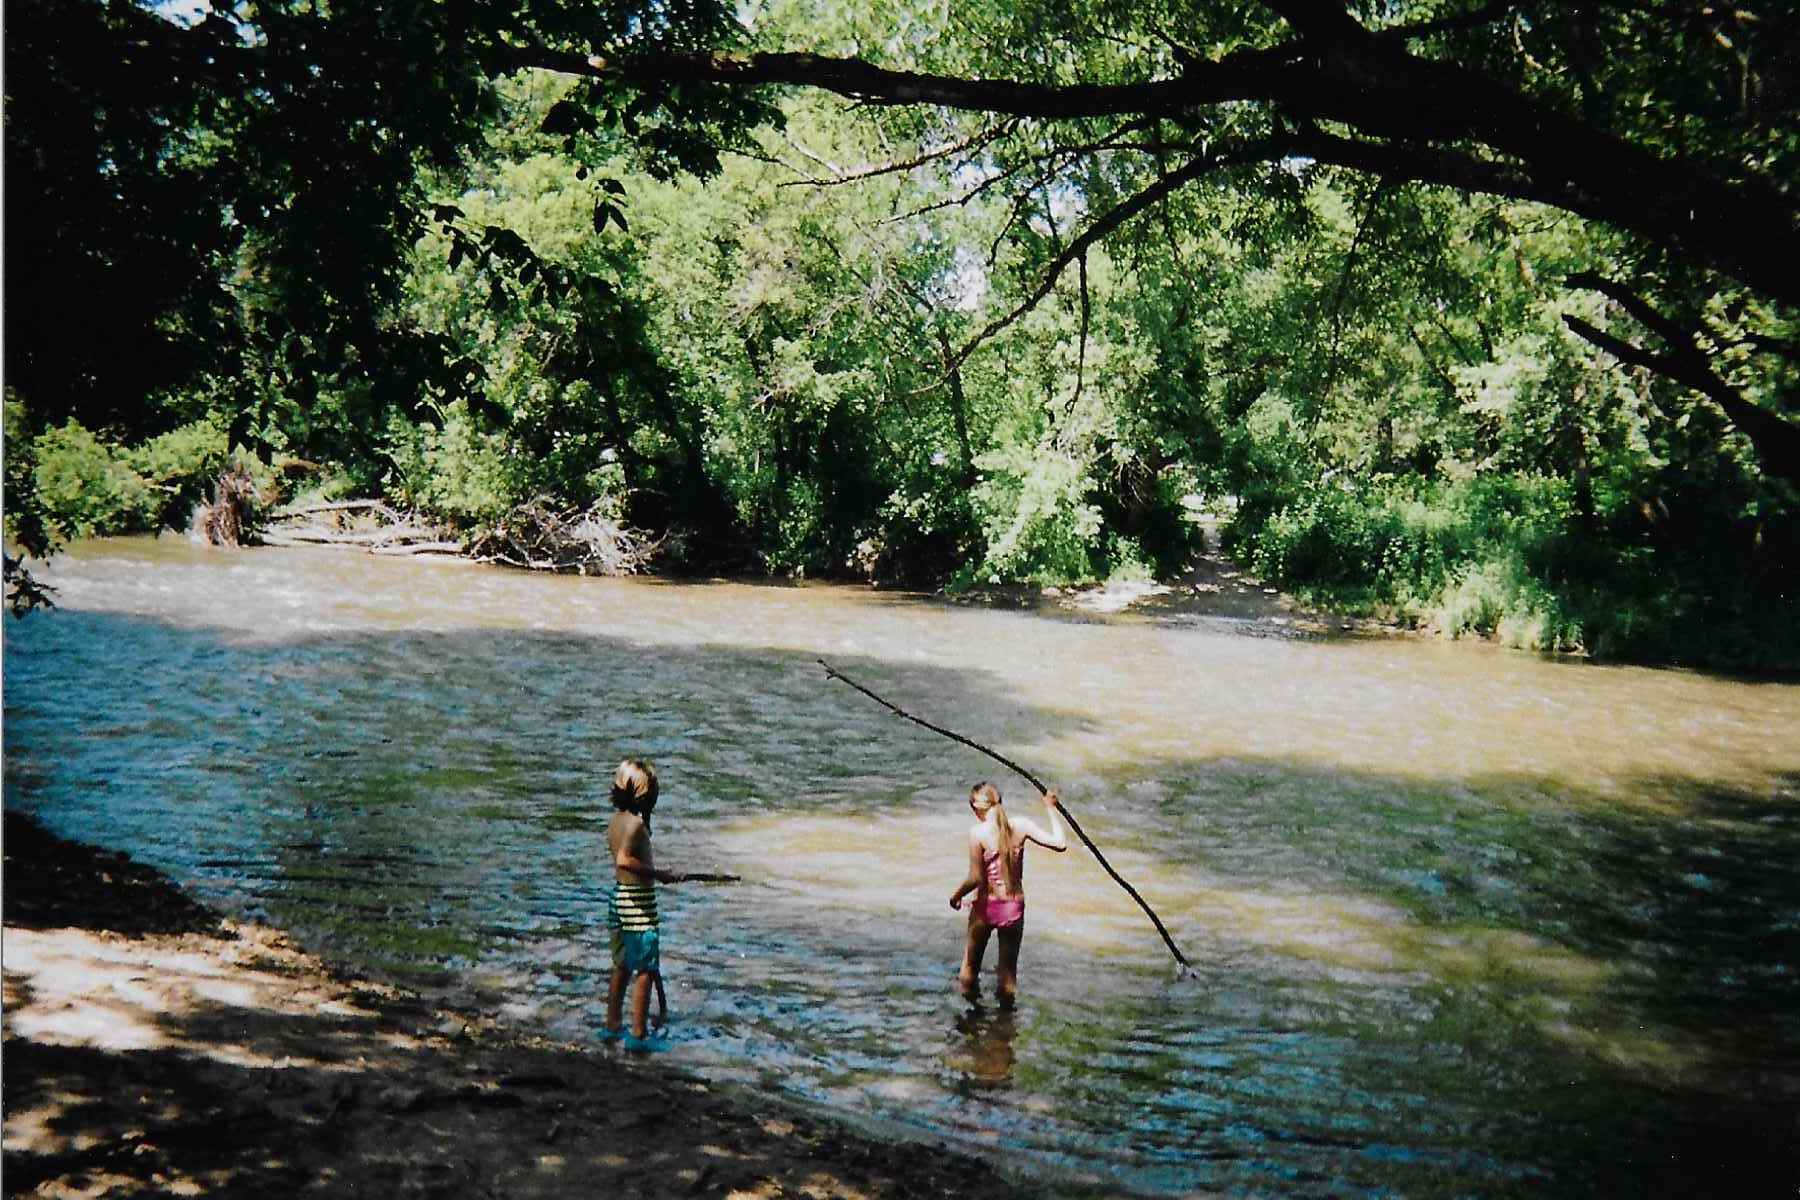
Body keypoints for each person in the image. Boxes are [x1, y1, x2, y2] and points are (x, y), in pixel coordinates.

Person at [949, 781, 1067, 1008]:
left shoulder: (977, 833)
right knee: (1008, 974)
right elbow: (1060, 844)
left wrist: (955, 897)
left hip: (986, 907)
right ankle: (1006, 1023)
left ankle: (969, 1017)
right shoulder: (1021, 825)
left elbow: (976, 878)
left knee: (969, 969)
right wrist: (1051, 809)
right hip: (1013, 908)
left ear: (976, 808)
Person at [604, 758, 683, 1042]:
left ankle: (612, 1025)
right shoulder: (635, 824)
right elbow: (624, 860)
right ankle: (638, 1033)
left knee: (622, 965)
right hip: (637, 902)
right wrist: (659, 874)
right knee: (645, 969)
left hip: (619, 897)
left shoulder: (616, 821)